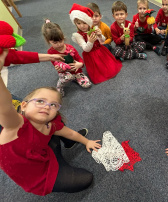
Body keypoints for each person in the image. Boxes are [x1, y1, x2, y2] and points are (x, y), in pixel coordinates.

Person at [0, 48, 101, 196]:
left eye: (53, 105)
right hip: (36, 176)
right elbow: (4, 105)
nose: (47, 106)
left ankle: (65, 145)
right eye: (40, 101)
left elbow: (70, 132)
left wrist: (86, 142)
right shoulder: (16, 125)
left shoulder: (51, 122)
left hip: (41, 151)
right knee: (86, 179)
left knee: (56, 129)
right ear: (24, 105)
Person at [69, 3, 122, 84]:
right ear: (75, 24)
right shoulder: (78, 35)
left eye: (84, 23)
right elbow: (86, 49)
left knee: (110, 67)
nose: (82, 26)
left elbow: (102, 41)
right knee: (99, 73)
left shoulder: (94, 28)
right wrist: (90, 41)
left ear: (88, 21)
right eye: (78, 23)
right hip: (91, 55)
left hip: (101, 50)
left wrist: (100, 35)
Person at [42, 20, 91, 97]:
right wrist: (58, 68)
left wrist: (79, 64)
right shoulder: (50, 52)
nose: (59, 44)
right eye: (55, 43)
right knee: (68, 77)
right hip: (65, 72)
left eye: (61, 41)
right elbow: (55, 65)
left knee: (87, 85)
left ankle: (76, 77)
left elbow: (80, 59)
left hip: (76, 70)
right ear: (48, 41)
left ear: (63, 37)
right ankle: (59, 86)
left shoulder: (70, 48)